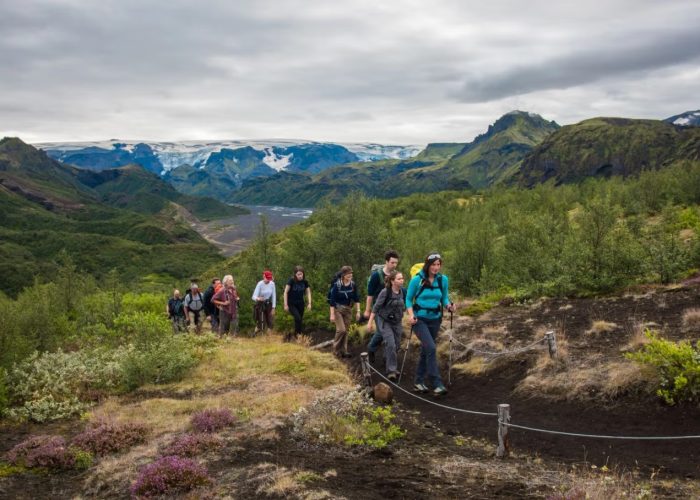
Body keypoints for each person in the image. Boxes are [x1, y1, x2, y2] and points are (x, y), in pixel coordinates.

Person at [406, 252, 455, 396]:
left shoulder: (443, 280)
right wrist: (411, 315)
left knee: (426, 349)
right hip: (419, 319)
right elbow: (408, 300)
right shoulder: (417, 280)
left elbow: (444, 298)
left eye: (438, 264)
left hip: (435, 319)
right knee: (432, 348)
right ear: (428, 265)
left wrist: (449, 306)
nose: (436, 267)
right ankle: (437, 383)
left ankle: (418, 382)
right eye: (433, 264)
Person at [367, 271, 406, 381]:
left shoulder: (403, 291)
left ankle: (387, 360)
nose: (402, 280)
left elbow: (408, 304)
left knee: (397, 344)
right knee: (391, 344)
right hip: (384, 321)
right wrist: (370, 322)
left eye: (402, 278)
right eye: (399, 279)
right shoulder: (385, 292)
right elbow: (376, 308)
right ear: (393, 281)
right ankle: (391, 371)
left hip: (397, 321)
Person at [365, 250, 400, 362]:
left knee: (392, 333)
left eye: (396, 263)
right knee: (382, 332)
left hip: (393, 310)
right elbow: (370, 295)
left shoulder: (396, 275)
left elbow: (400, 291)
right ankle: (371, 348)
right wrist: (367, 310)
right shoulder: (376, 276)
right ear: (386, 261)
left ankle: (387, 357)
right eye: (392, 262)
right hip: (379, 309)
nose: (394, 265)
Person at [328, 266, 361, 358]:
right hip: (337, 309)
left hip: (348, 309)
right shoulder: (337, 285)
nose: (350, 275)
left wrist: (358, 311)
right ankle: (335, 350)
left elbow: (357, 298)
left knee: (346, 331)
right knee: (341, 330)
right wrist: (332, 315)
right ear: (343, 275)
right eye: (348, 274)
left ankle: (344, 351)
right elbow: (332, 301)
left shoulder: (353, 285)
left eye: (351, 273)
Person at [283, 266, 312, 341]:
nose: (300, 276)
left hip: (300, 303)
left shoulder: (305, 282)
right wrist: (285, 304)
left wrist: (309, 303)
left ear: (303, 274)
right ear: (295, 274)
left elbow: (308, 292)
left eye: (301, 274)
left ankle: (297, 336)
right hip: (291, 303)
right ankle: (297, 336)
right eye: (298, 274)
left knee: (299, 320)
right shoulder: (291, 281)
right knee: (298, 318)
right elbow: (286, 292)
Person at [252, 270, 276, 335]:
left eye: (269, 278)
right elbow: (253, 296)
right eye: (267, 278)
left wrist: (274, 307)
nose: (268, 280)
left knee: (270, 321)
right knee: (262, 321)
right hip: (260, 304)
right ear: (264, 277)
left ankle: (268, 338)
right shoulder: (260, 284)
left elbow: (274, 296)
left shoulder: (272, 284)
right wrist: (258, 298)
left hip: (268, 303)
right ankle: (255, 333)